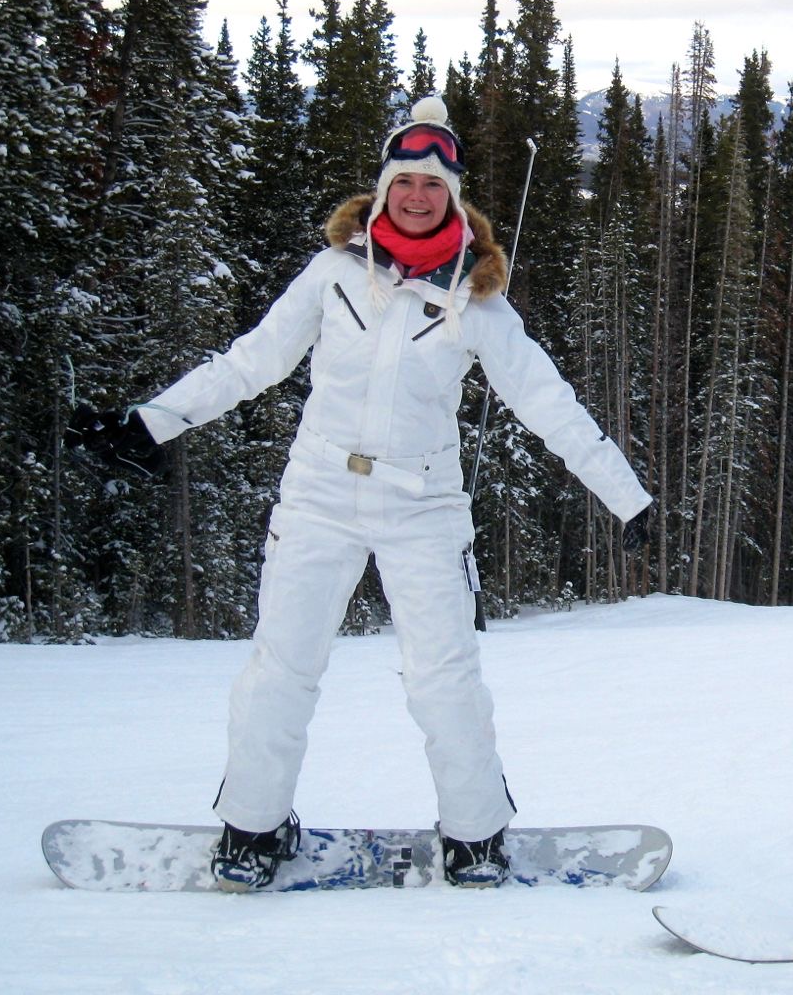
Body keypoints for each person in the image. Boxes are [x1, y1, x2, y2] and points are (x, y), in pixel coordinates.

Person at [69, 96, 652, 891]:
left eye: (434, 187)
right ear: (384, 190)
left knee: (445, 676)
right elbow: (249, 363)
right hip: (317, 496)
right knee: (282, 667)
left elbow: (550, 403)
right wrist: (151, 424)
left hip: (424, 509)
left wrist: (627, 496)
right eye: (406, 182)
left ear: (455, 199)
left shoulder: (477, 300)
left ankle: (476, 838)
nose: (418, 197)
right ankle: (251, 830)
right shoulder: (334, 273)